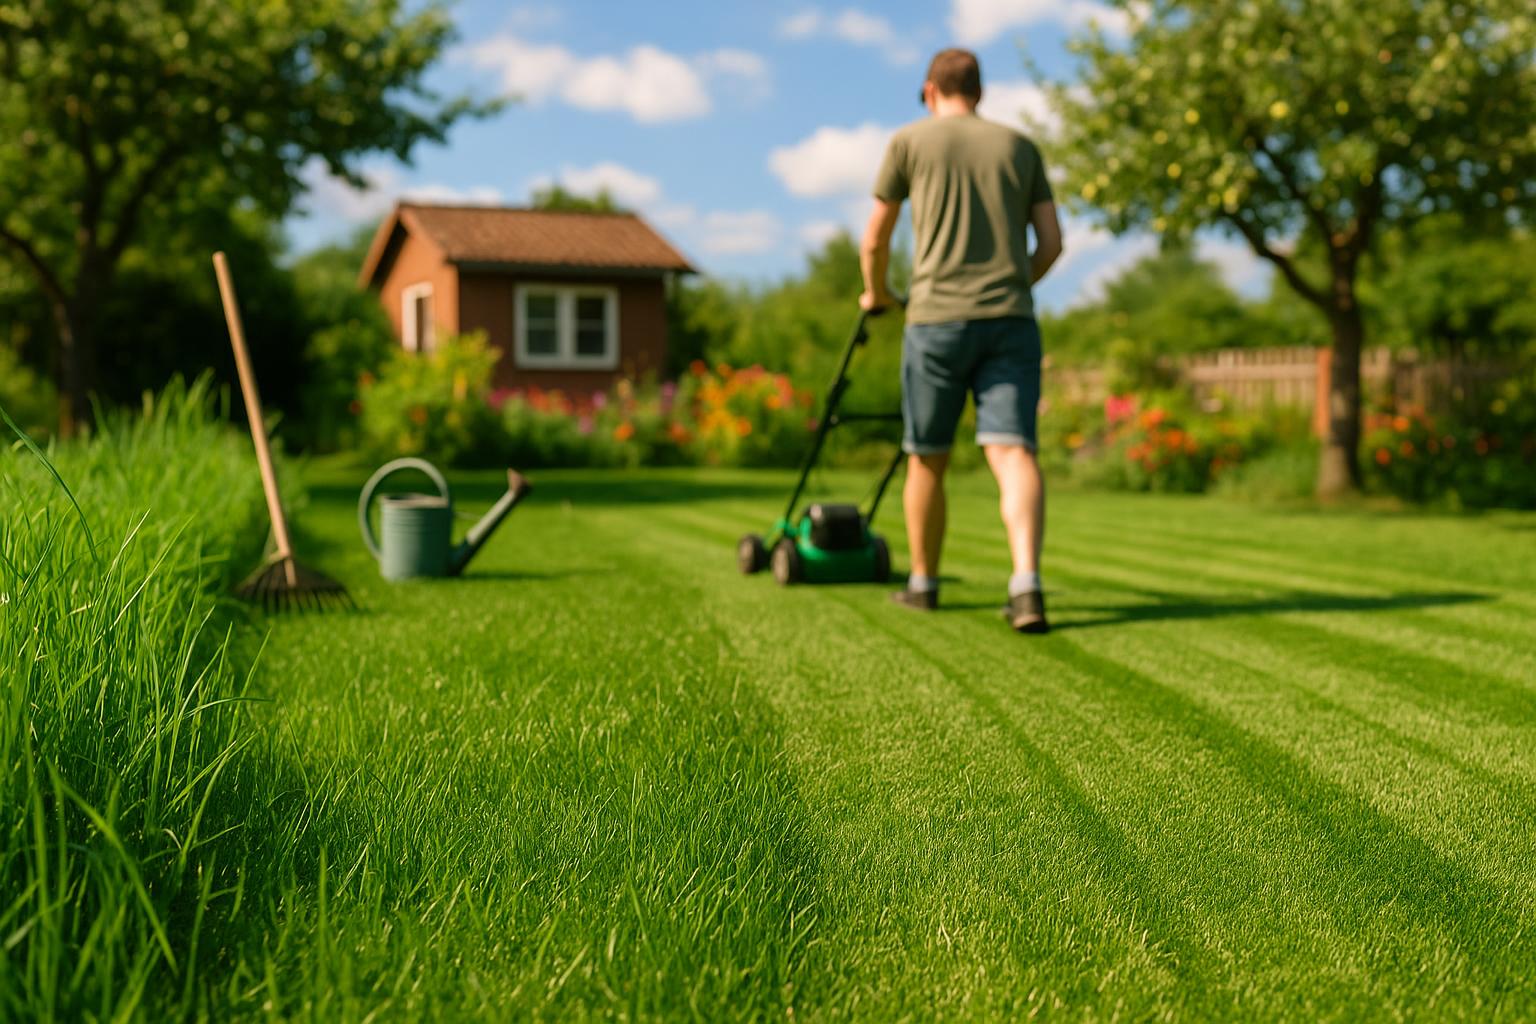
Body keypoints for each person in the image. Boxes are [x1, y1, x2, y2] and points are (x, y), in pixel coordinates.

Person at [859, 47, 1063, 633]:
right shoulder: (1019, 146)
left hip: (935, 321)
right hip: (1010, 320)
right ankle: (1026, 584)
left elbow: (875, 238)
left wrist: (876, 294)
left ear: (930, 91)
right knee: (1012, 450)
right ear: (981, 92)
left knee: (927, 455)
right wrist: (1012, 284)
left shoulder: (908, 142)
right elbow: (1050, 242)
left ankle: (923, 583)